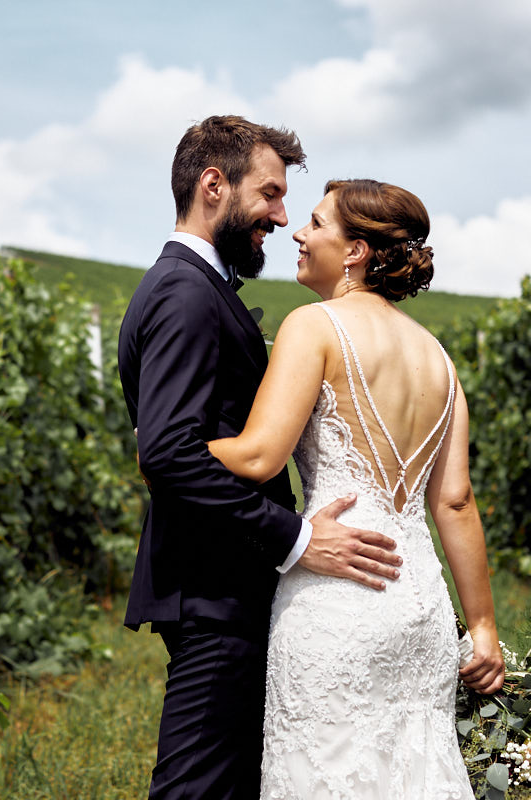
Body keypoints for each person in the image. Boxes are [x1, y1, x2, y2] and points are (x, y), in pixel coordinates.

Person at [117, 117, 404, 798]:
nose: (279, 216)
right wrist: (299, 538)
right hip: (215, 591)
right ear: (213, 185)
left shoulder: (194, 287)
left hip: (224, 585)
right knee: (196, 788)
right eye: (270, 194)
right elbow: (169, 453)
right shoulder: (187, 294)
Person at [207, 178, 506, 798]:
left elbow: (260, 456)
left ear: (354, 252)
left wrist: (170, 447)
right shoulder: (439, 360)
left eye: (316, 224)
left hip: (337, 599)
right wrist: (482, 628)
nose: (299, 232)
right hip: (419, 607)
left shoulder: (313, 326)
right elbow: (454, 502)